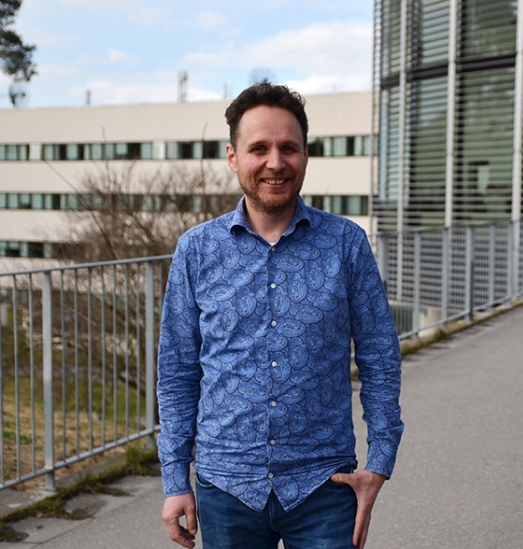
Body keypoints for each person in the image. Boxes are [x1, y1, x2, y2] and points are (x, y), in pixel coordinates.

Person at [157, 83, 404, 549]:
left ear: (305, 155)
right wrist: (175, 480)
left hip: (324, 487)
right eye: (259, 149)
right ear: (233, 157)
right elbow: (177, 371)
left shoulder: (346, 244)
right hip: (225, 488)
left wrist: (380, 461)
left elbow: (379, 355)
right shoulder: (196, 250)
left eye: (288, 148)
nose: (275, 162)